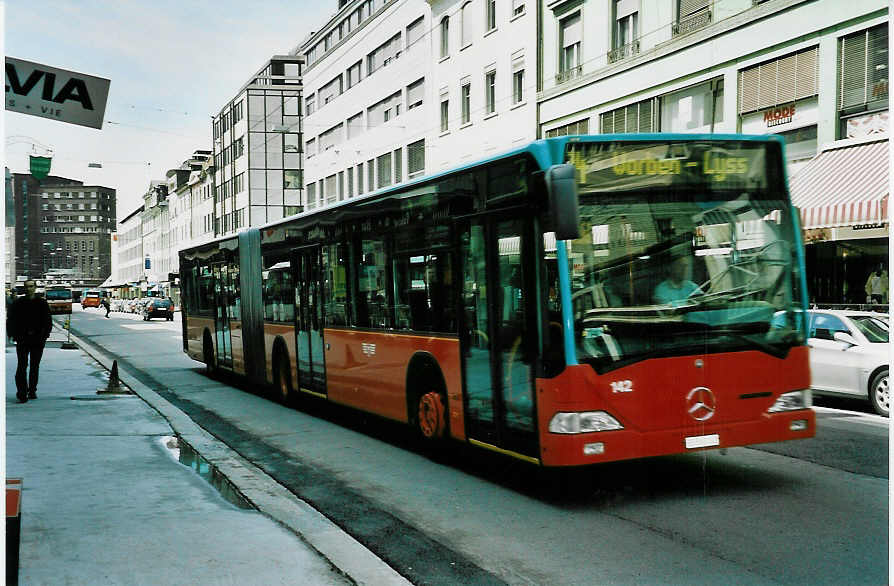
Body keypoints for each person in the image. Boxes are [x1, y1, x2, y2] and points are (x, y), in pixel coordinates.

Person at [7, 279, 52, 403]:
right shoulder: (18, 303)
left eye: (31, 286)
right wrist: (12, 334)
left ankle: (32, 390)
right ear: (24, 288)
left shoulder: (42, 303)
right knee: (22, 365)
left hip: (37, 339)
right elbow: (11, 319)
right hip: (22, 339)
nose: (29, 289)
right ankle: (22, 392)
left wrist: (45, 335)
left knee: (34, 366)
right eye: (27, 286)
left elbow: (48, 320)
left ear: (35, 288)